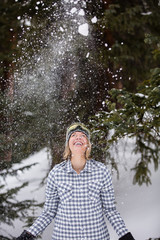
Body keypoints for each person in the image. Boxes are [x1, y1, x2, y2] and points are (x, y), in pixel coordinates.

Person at [16, 122, 135, 240]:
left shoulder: (101, 171)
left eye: (83, 136)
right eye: (73, 135)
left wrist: (124, 234)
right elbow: (49, 212)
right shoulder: (56, 173)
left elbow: (110, 210)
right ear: (68, 144)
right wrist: (29, 234)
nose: (78, 137)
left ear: (88, 144)